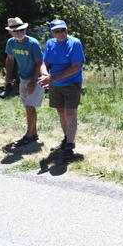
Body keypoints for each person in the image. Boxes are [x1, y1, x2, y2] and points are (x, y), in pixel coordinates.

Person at [37, 19, 85, 159]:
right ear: (52, 33)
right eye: (56, 31)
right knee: (61, 111)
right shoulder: (50, 44)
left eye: (62, 30)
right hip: (55, 84)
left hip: (71, 83)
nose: (60, 33)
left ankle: (70, 145)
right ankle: (66, 138)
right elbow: (44, 63)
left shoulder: (74, 43)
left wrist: (51, 78)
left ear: (66, 29)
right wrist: (45, 74)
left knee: (70, 113)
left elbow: (76, 66)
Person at [3, 17, 46, 148]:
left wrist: (33, 82)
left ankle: (28, 136)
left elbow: (39, 63)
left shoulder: (33, 43)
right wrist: (8, 78)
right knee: (29, 107)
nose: (19, 33)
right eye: (16, 31)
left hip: (35, 78)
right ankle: (33, 134)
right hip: (23, 78)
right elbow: (10, 60)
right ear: (10, 32)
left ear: (25, 29)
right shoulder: (11, 43)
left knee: (29, 107)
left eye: (22, 30)